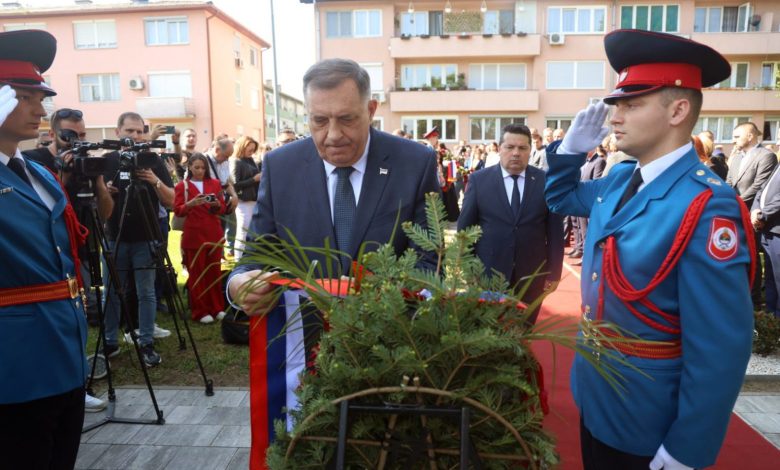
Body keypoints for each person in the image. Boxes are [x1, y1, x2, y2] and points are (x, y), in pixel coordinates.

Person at [544, 29, 753, 470]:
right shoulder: (621, 178)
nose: (614, 117)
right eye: (615, 105)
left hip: (647, 415)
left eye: (631, 105)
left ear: (678, 110)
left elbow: (719, 346)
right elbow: (560, 199)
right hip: (596, 392)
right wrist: (570, 150)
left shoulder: (706, 205)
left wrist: (688, 447)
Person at [227, 58, 441, 463]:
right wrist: (239, 283)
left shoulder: (415, 162)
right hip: (303, 360)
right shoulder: (281, 165)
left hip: (388, 358)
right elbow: (256, 254)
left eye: (347, 119)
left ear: (371, 110)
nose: (333, 135)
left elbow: (429, 260)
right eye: (319, 121)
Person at [0, 29, 88, 469]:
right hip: (15, 369)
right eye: (23, 97)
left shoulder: (39, 174)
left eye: (40, 97)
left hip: (63, 354)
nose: (39, 109)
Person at [458, 123, 563, 324]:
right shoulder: (479, 181)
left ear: (530, 150)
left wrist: (554, 273)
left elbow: (555, 233)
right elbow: (465, 230)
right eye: (510, 147)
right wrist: (468, 270)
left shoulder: (545, 181)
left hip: (532, 275)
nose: (516, 153)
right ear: (499, 149)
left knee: (524, 329)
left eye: (522, 148)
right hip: (487, 274)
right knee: (489, 330)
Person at [102, 111, 175, 367]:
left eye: (139, 131)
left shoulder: (152, 160)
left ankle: (146, 342)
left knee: (146, 292)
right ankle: (109, 341)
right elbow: (98, 206)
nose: (135, 136)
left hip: (146, 237)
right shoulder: (108, 161)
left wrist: (155, 181)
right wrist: (105, 192)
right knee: (111, 292)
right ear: (117, 132)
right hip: (115, 236)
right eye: (129, 131)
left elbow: (172, 200)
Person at [727, 122, 777, 308]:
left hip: (753, 215)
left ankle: (754, 300)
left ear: (750, 136)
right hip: (734, 213)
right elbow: (729, 182)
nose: (733, 140)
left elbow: (759, 186)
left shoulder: (766, 156)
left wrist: (736, 202)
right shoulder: (736, 157)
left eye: (737, 136)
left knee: (753, 256)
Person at [174, 153, 227, 323]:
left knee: (214, 273)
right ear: (189, 167)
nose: (200, 171)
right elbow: (178, 210)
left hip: (213, 234)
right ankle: (200, 310)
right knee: (197, 275)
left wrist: (216, 204)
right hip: (194, 236)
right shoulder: (182, 186)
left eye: (203, 168)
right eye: (196, 167)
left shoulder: (215, 183)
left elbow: (223, 208)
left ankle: (217, 307)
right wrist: (191, 204)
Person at [206, 136, 239, 258]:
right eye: (226, 156)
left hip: (220, 206)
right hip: (205, 209)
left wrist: (234, 196)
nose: (227, 159)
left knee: (220, 236)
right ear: (217, 149)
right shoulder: (201, 161)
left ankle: (219, 257)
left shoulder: (225, 162)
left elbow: (226, 182)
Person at [230, 135, 261, 261]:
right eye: (250, 149)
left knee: (250, 231)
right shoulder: (236, 161)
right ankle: (238, 259)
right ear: (242, 147)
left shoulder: (250, 160)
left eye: (254, 149)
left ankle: (248, 258)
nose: (252, 151)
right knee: (243, 231)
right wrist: (254, 179)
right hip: (243, 201)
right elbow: (235, 184)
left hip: (253, 200)